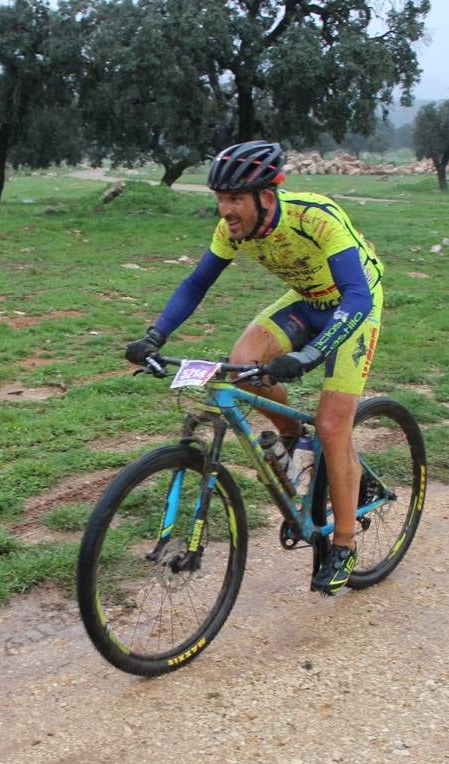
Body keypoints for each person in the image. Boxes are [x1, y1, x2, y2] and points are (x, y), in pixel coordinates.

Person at [124, 139, 384, 596]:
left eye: (234, 199)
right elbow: (197, 282)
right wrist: (155, 335)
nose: (225, 210)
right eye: (220, 199)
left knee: (332, 423)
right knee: (243, 363)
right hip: (306, 301)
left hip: (353, 307)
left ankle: (343, 543)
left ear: (266, 196)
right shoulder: (231, 230)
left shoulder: (314, 216)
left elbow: (358, 295)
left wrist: (308, 355)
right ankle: (291, 436)